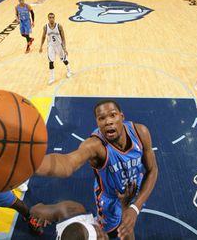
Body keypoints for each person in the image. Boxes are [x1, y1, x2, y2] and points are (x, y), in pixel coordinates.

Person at [36, 99, 159, 239]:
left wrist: (134, 207)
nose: (108, 121)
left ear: (122, 117)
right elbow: (68, 163)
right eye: (102, 118)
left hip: (133, 190)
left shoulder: (140, 132)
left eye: (113, 115)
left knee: (126, 222)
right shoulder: (95, 145)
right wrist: (32, 164)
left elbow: (152, 170)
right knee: (107, 234)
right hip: (109, 199)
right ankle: (37, 211)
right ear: (97, 123)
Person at [29, 182, 138, 240]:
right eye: (98, 237)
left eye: (96, 231)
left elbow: (34, 210)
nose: (102, 235)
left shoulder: (71, 212)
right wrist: (125, 207)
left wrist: (35, 219)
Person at [39, 12, 72, 85]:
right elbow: (43, 37)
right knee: (51, 62)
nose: (51, 19)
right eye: (50, 17)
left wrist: (65, 47)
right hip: (51, 46)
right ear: (48, 18)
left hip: (59, 45)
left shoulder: (59, 26)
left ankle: (69, 70)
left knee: (64, 59)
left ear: (54, 18)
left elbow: (63, 37)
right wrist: (41, 46)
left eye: (53, 17)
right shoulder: (45, 27)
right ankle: (52, 77)